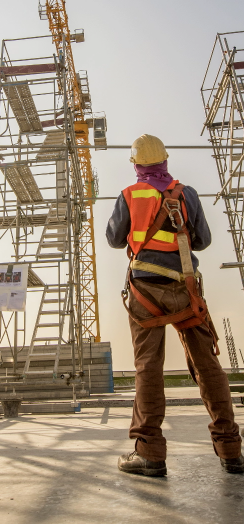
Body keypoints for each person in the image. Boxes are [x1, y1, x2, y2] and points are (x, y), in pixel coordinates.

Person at [106, 133, 243, 477]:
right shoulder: (187, 194)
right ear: (165, 161)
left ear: (136, 165)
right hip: (186, 289)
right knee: (207, 365)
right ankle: (231, 449)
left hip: (145, 293)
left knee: (148, 366)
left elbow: (113, 238)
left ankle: (149, 452)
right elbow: (204, 241)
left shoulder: (129, 194)